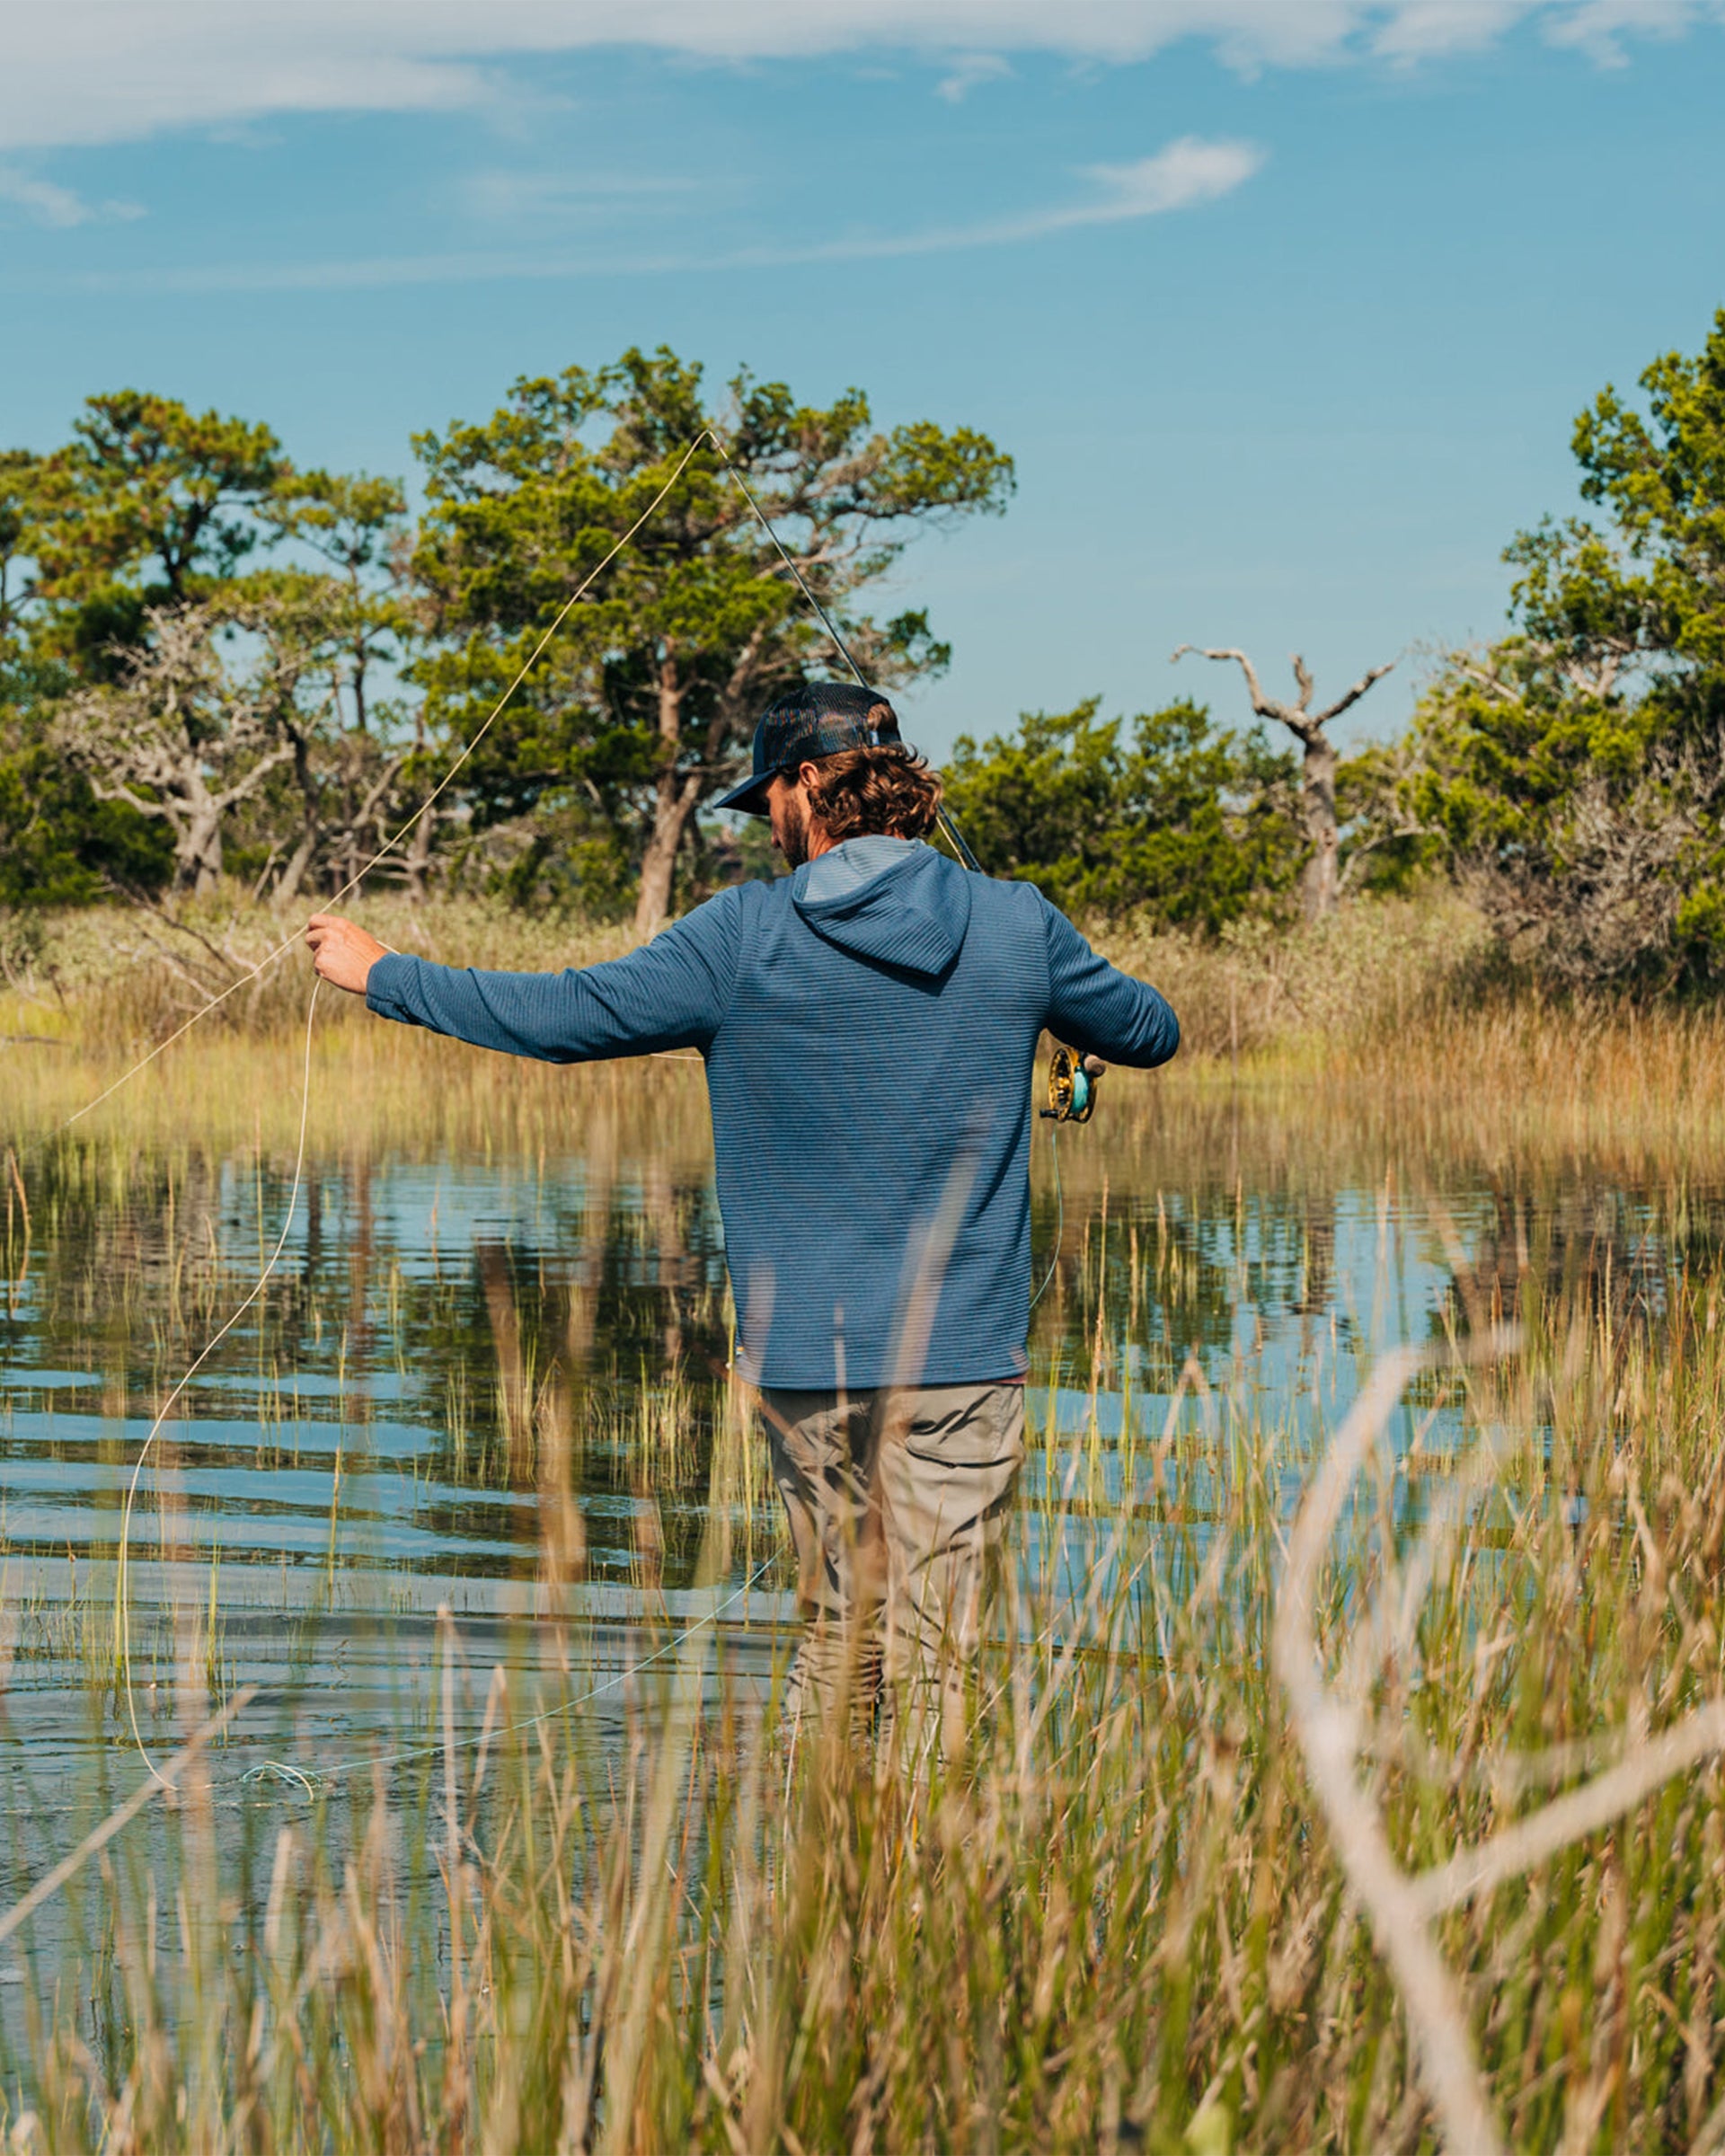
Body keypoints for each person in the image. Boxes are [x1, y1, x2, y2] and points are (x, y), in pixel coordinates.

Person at [305, 681, 1179, 1760]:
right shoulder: (1017, 921)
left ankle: (817, 1899)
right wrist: (1050, 999)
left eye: (766, 795)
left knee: (836, 1639)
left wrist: (386, 974)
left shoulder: (740, 935)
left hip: (808, 1365)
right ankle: (918, 1907)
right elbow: (1151, 1028)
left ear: (811, 784)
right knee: (936, 1651)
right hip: (961, 1368)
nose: (764, 822)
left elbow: (566, 1017)